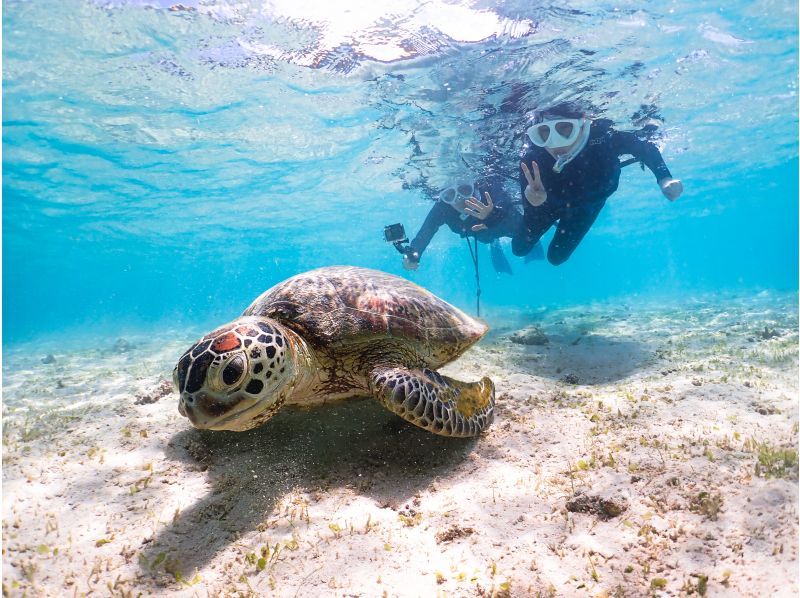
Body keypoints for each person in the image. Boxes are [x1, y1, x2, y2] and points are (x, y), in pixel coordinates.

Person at [512, 103, 683, 265]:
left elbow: (645, 148)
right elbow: (530, 207)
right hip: (546, 207)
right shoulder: (531, 160)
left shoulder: (602, 140)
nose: (554, 143)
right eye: (543, 133)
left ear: (582, 126)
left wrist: (664, 178)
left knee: (556, 258)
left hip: (586, 209)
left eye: (565, 129)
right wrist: (534, 204)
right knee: (518, 250)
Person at [402, 175, 525, 272]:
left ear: (474, 187)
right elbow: (427, 230)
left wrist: (493, 216)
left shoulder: (490, 192)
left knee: (507, 233)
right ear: (444, 196)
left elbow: (518, 227)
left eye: (465, 190)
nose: (459, 199)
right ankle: (494, 243)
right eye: (450, 195)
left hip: (497, 227)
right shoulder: (443, 207)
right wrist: (414, 254)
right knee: (486, 238)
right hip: (477, 234)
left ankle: (495, 240)